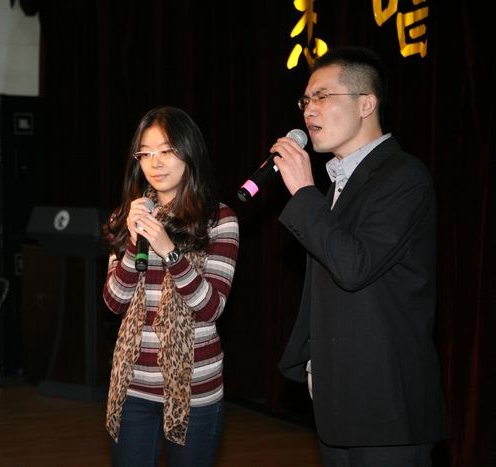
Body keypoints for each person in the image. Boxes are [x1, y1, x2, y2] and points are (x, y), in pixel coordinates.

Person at [272, 46, 448, 466]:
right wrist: (313, 363)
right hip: (338, 398)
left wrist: (304, 193)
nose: (309, 110)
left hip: (387, 405)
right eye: (305, 100)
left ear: (366, 104)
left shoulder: (404, 176)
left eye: (322, 97)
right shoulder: (335, 186)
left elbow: (355, 266)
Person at [102, 106, 239, 467]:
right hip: (132, 388)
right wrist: (133, 242)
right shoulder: (126, 216)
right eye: (146, 153)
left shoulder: (219, 219)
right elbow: (114, 301)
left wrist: (170, 252)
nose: (155, 162)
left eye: (166, 151)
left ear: (189, 152)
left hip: (194, 390)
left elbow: (210, 308)